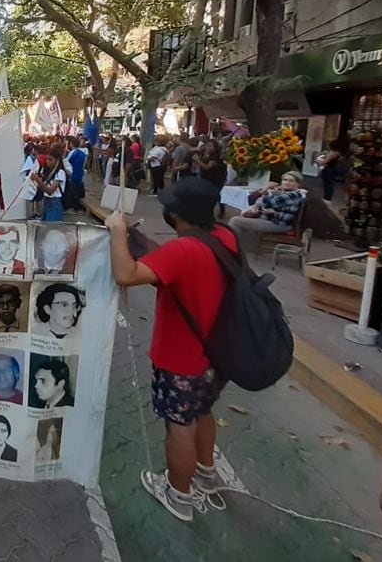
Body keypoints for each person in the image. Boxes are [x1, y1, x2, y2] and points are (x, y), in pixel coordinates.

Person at [105, 176, 235, 522]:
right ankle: (207, 473)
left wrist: (117, 231)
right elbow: (170, 263)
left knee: (180, 424)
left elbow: (126, 274)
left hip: (180, 358)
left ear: (177, 214)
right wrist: (140, 240)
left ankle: (178, 494)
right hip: (217, 353)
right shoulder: (225, 238)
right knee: (203, 410)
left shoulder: (184, 251)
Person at [228, 170, 305, 249]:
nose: (287, 183)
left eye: (291, 181)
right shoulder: (282, 191)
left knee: (235, 220)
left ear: (297, 183)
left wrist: (266, 189)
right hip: (268, 219)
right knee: (243, 217)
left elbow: (266, 203)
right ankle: (235, 246)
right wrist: (258, 206)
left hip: (279, 224)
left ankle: (231, 247)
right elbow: (260, 201)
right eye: (285, 180)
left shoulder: (293, 195)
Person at [30, 148, 66, 223]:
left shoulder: (60, 173)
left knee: (51, 228)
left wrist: (38, 180)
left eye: (50, 159)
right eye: (46, 159)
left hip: (55, 203)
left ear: (57, 160)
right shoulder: (48, 172)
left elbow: (50, 191)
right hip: (47, 202)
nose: (47, 161)